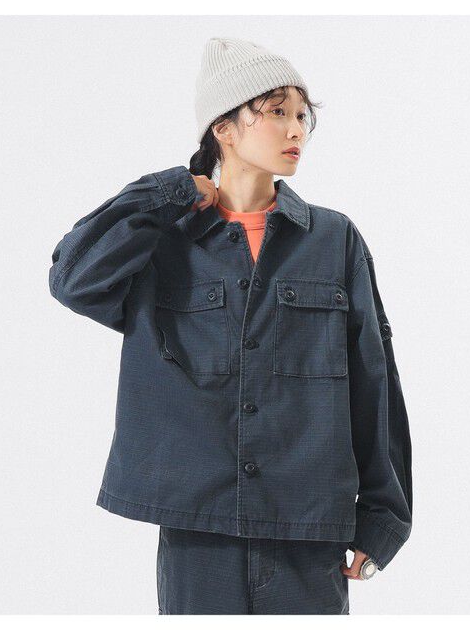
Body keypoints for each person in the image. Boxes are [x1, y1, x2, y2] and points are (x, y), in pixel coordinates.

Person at [48, 37, 413, 615]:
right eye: (277, 112)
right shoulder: (164, 243)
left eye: (302, 116)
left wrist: (383, 517)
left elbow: (374, 377)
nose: (295, 129)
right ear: (223, 127)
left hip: (306, 527)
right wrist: (168, 191)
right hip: (198, 529)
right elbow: (74, 279)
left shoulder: (334, 240)